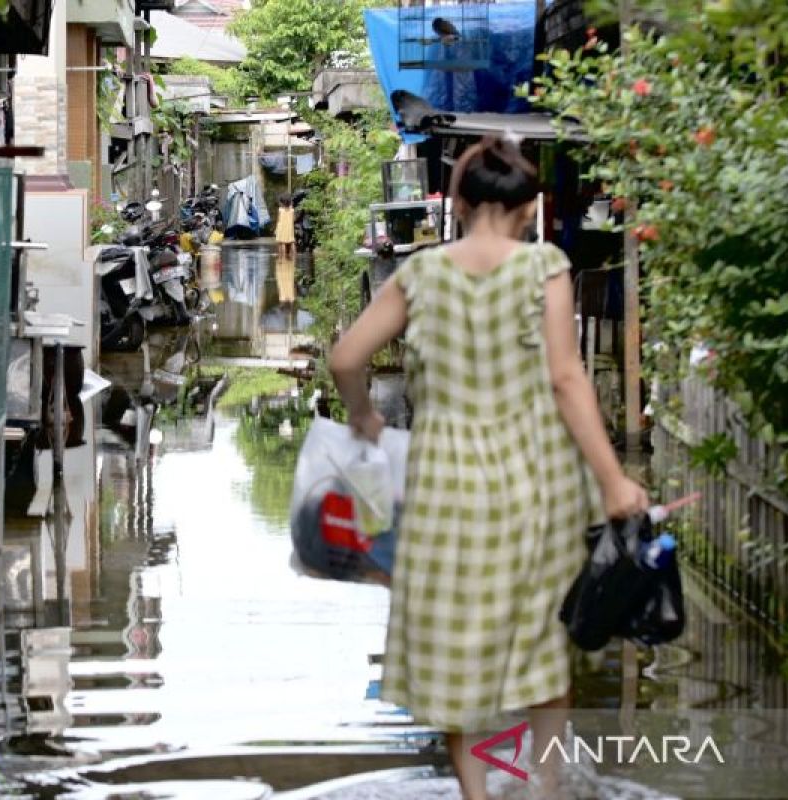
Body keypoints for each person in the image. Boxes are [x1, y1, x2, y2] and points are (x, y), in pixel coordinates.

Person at [329, 136, 648, 800]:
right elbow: (566, 379)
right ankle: (545, 787)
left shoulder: (420, 274)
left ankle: (477, 797)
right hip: (536, 481)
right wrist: (614, 479)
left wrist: (363, 418)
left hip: (445, 482)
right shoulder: (545, 268)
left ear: (463, 203)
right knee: (540, 640)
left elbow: (346, 358)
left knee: (453, 641)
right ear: (529, 208)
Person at [275, 193, 295, 260]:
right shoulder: (292, 210)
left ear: (282, 202)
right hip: (290, 227)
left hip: (281, 227)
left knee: (282, 242)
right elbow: (293, 219)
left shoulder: (280, 210)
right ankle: (294, 256)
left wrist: (276, 229)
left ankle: (282, 257)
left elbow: (278, 220)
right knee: (291, 242)